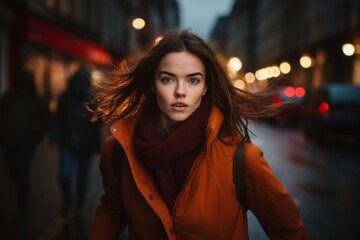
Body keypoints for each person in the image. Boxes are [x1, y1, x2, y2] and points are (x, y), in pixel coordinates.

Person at [89, 30, 309, 239]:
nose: (180, 91)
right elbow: (111, 210)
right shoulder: (118, 151)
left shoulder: (241, 159)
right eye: (168, 79)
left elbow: (288, 232)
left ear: (205, 87)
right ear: (152, 84)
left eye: (193, 80)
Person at [0, 69, 50, 217]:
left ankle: (23, 202)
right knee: (11, 170)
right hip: (9, 141)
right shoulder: (8, 98)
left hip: (26, 142)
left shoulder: (36, 100)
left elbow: (45, 120)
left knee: (22, 171)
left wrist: (36, 137)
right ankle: (19, 193)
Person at [54, 68, 100, 218]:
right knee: (64, 175)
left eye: (83, 82)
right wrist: (55, 135)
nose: (80, 86)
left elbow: (100, 121)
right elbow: (57, 119)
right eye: (78, 82)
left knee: (82, 178)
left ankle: (79, 204)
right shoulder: (64, 98)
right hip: (67, 143)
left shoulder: (93, 100)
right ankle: (68, 199)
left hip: (85, 146)